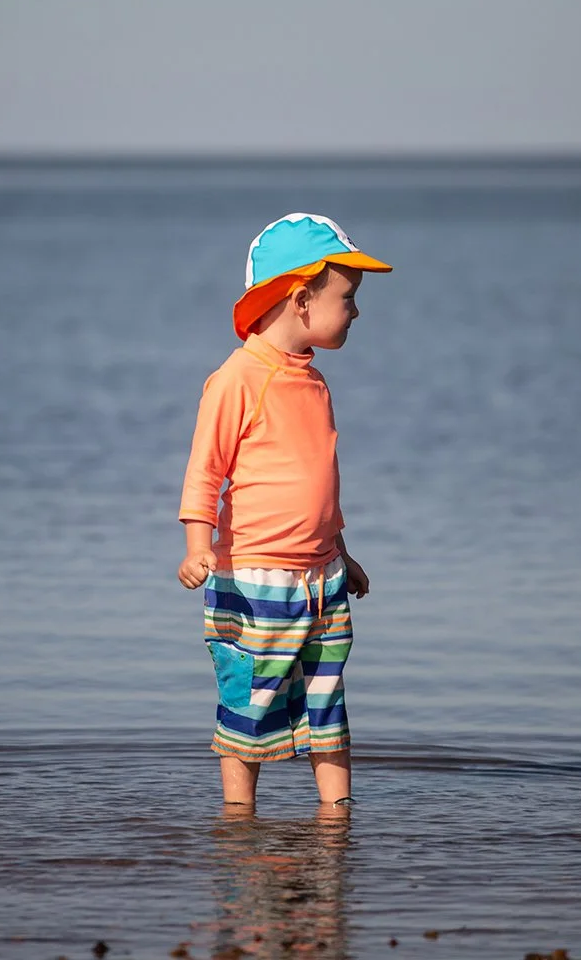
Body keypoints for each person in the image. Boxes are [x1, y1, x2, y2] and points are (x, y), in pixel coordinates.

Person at [177, 212, 392, 807]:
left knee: (327, 701)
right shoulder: (237, 380)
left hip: (321, 580)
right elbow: (206, 472)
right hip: (255, 578)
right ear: (301, 300)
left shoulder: (314, 383)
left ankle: (336, 816)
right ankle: (238, 817)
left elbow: (320, 483)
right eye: (347, 297)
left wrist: (342, 554)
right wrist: (198, 546)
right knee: (252, 700)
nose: (356, 310)